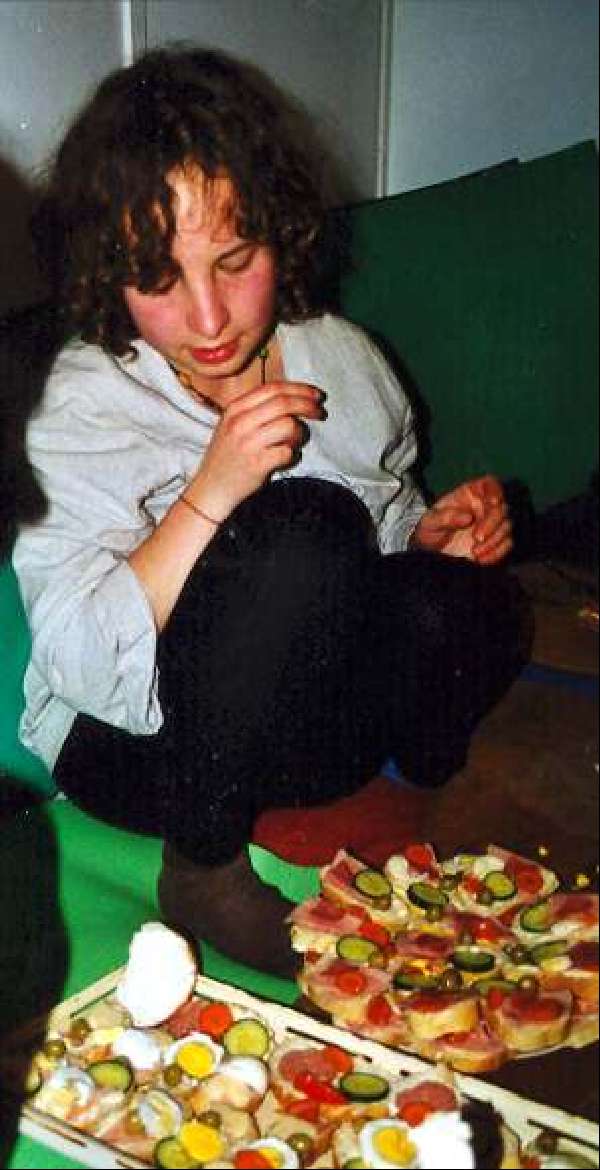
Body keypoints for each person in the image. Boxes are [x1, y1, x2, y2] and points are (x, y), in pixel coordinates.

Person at [13, 47, 524, 980]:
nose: (209, 319)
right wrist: (212, 491)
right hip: (142, 754)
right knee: (299, 530)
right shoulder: (84, 403)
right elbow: (76, 661)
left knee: (472, 598)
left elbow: (381, 514)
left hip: (294, 735)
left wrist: (427, 537)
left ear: (280, 238)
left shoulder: (342, 357)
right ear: (110, 276)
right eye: (158, 279)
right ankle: (202, 872)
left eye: (235, 262)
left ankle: (414, 798)